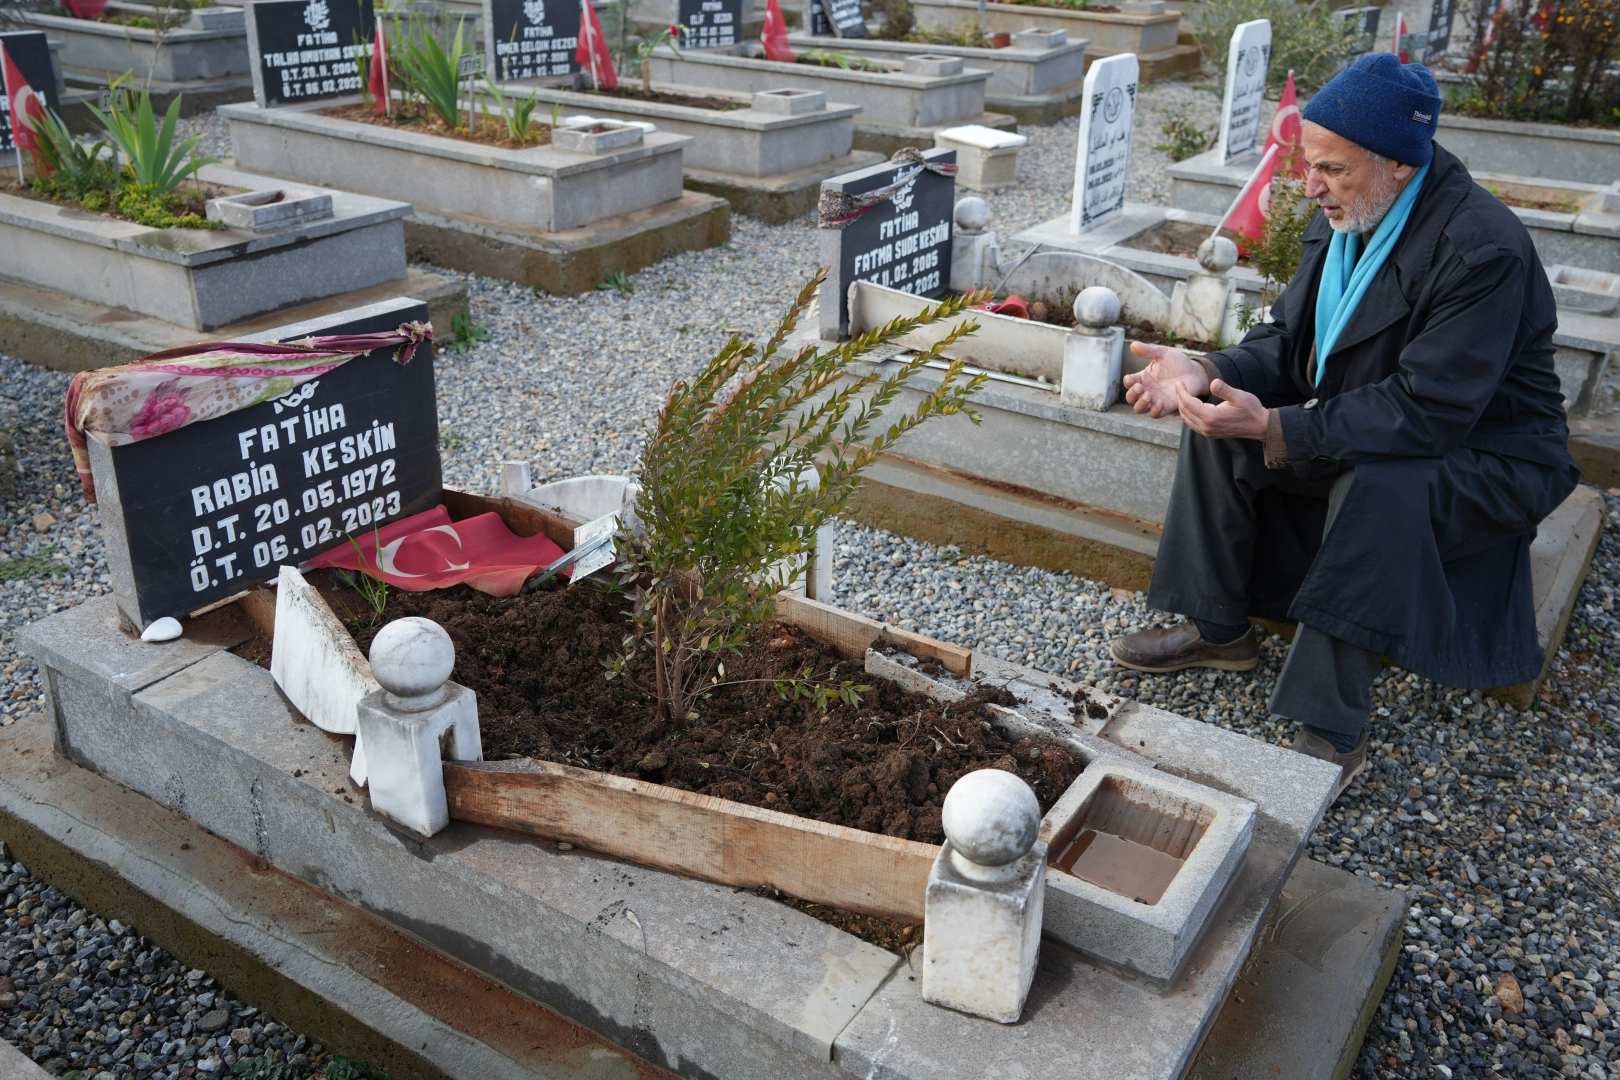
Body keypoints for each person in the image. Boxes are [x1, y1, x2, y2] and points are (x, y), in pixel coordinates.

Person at [1108, 53, 1579, 797]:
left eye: (1331, 168)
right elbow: (1286, 342)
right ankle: (1218, 628)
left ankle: (1330, 721)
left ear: (1397, 162)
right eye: (1306, 163)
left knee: (1377, 478)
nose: (1309, 184)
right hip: (1386, 416)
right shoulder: (1349, 214)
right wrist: (1205, 371)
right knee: (1219, 418)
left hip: (1490, 455)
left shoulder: (1481, 249)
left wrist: (1280, 427)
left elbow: (1428, 411)